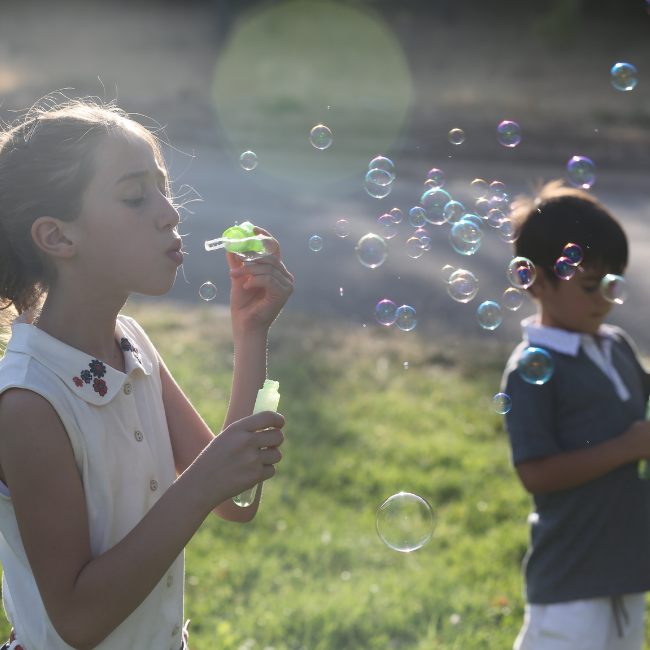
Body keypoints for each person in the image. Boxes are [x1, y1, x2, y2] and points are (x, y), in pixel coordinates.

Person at [0, 97, 294, 650]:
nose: (169, 211)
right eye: (136, 196)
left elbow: (234, 497)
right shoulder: (29, 401)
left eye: (162, 187)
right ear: (57, 238)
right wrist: (199, 486)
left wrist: (251, 331)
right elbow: (78, 621)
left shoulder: (132, 344)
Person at [501, 180, 650, 650]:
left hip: (626, 568)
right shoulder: (531, 369)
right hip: (570, 578)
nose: (605, 300)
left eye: (612, 284)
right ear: (535, 280)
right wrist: (627, 447)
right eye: (590, 286)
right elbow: (535, 473)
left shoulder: (615, 345)